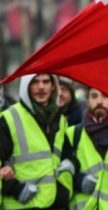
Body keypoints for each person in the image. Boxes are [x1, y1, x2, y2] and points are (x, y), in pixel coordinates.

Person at [0, 73, 72, 209]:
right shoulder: (9, 118)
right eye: (35, 82)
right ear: (26, 86)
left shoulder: (59, 119)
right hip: (21, 204)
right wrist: (15, 189)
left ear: (53, 86)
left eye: (46, 82)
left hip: (54, 204)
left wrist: (64, 191)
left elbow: (67, 156)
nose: (41, 87)